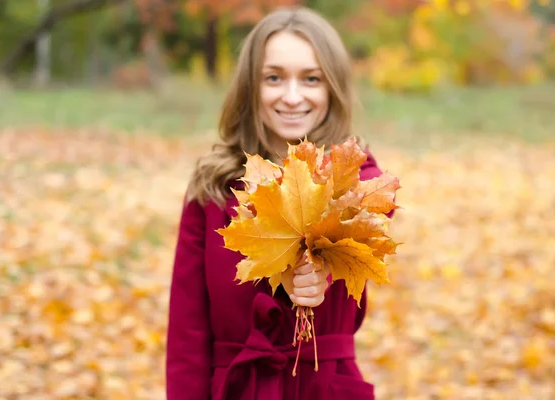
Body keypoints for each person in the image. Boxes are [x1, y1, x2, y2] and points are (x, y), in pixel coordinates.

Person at [166, 6, 391, 400]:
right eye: (274, 77)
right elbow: (188, 330)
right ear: (251, 87)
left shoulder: (354, 178)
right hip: (238, 388)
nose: (291, 96)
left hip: (326, 387)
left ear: (331, 87)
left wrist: (317, 267)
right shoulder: (214, 187)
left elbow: (368, 212)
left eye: (311, 79)